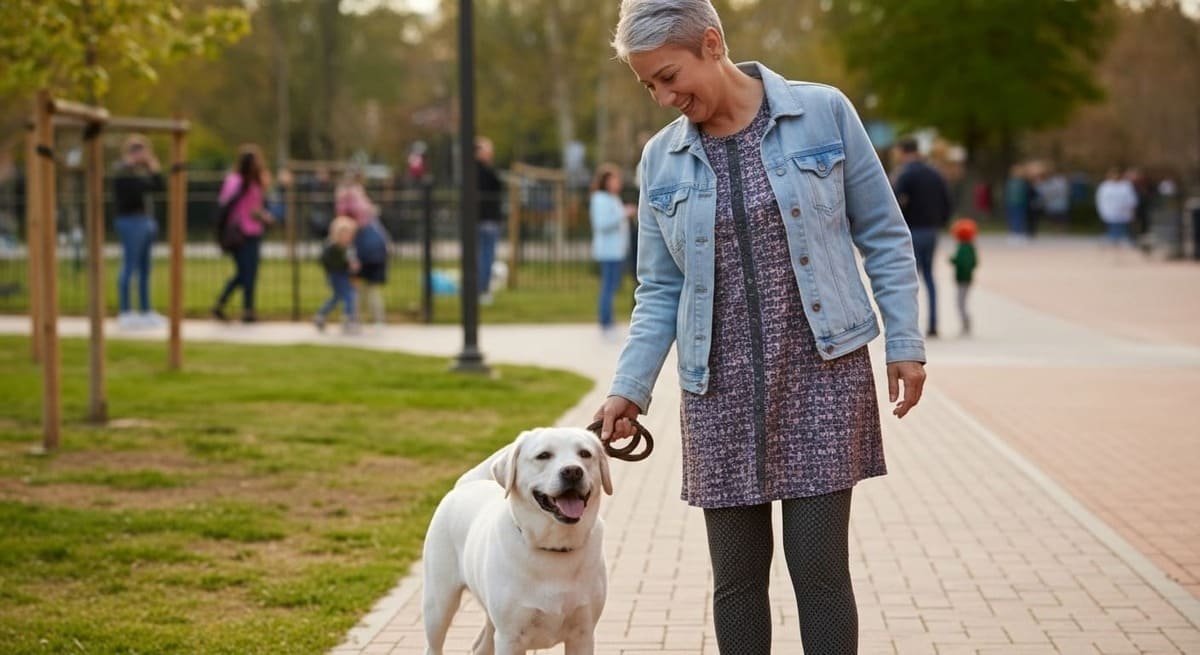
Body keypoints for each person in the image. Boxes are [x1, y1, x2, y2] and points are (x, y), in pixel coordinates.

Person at [594, 2, 926, 653]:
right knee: (738, 582)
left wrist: (905, 342)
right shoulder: (660, 160)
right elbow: (660, 287)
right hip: (717, 387)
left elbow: (885, 235)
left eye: (668, 76)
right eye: (648, 86)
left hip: (822, 375)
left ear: (711, 43)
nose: (662, 97)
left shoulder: (823, 112)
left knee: (820, 573)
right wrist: (628, 387)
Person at [892, 137, 952, 338]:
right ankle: (934, 323)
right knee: (929, 276)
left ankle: (910, 327)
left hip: (913, 230)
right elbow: (947, 201)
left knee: (910, 280)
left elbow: (892, 200)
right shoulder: (934, 173)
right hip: (932, 230)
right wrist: (940, 222)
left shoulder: (906, 174)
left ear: (902, 151)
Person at [211, 144, 273, 323]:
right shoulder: (235, 181)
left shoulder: (256, 183)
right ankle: (224, 304)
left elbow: (256, 207)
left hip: (254, 230)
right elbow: (226, 203)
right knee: (244, 272)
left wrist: (263, 215)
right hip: (239, 232)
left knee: (250, 273)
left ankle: (247, 310)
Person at [112, 135, 166, 329]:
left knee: (145, 268)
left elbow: (159, 187)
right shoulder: (123, 171)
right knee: (129, 266)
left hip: (146, 220)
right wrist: (139, 170)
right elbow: (137, 191)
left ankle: (146, 311)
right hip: (129, 220)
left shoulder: (142, 172)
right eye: (138, 151)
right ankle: (125, 311)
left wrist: (154, 169)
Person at [336, 169, 393, 327]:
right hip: (377, 252)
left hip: (366, 253)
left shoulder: (348, 201)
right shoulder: (363, 202)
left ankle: (354, 317)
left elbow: (346, 232)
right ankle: (374, 319)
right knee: (370, 288)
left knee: (358, 287)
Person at [589, 163, 633, 338]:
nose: (618, 183)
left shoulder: (613, 198)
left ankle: (609, 318)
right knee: (607, 286)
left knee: (613, 286)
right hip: (607, 251)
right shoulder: (599, 199)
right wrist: (623, 213)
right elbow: (601, 224)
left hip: (617, 250)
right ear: (606, 182)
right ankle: (605, 320)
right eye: (614, 180)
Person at [314, 215, 361, 333]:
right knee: (349, 295)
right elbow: (326, 261)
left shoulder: (348, 247)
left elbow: (351, 261)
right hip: (336, 276)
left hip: (345, 275)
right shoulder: (333, 248)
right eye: (346, 234)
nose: (349, 237)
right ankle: (349, 318)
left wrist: (353, 267)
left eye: (351, 234)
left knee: (336, 298)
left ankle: (321, 315)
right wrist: (345, 264)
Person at [475, 136, 503, 305]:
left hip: (483, 219)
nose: (491, 153)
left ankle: (481, 289)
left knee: (482, 256)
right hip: (486, 220)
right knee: (485, 256)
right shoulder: (484, 172)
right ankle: (482, 289)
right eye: (487, 150)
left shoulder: (476, 171)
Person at [948, 217, 979, 336]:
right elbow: (975, 262)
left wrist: (953, 260)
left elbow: (961, 261)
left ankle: (965, 322)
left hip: (962, 279)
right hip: (968, 279)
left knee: (960, 303)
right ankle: (965, 322)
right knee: (962, 302)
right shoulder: (971, 247)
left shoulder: (962, 248)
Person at [1095, 167, 1138, 247]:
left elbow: (1131, 200)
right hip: (1109, 212)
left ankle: (1123, 239)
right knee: (1112, 227)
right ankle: (1112, 239)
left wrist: (1132, 211)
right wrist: (1102, 211)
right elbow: (1100, 200)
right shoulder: (1105, 186)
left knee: (1122, 228)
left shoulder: (1126, 186)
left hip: (1123, 213)